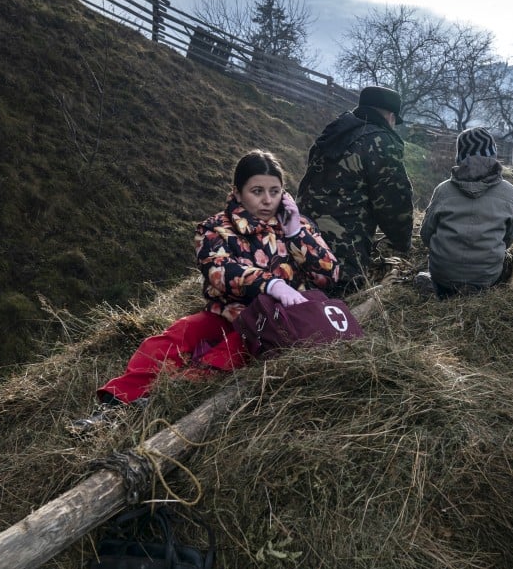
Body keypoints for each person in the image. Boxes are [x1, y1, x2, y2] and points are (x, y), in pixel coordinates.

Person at [71, 150, 339, 434]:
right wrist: (270, 283)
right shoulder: (215, 228)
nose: (267, 200)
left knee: (228, 353)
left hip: (274, 323)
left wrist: (297, 232)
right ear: (237, 192)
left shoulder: (297, 226)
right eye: (257, 191)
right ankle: (114, 405)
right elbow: (218, 270)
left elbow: (328, 275)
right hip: (228, 313)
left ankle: (156, 404)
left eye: (274, 191)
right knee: (172, 338)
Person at [297, 85, 414, 296]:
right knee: (341, 302)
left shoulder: (334, 131)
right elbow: (394, 202)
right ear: (390, 116)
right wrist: (404, 243)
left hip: (303, 238)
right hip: (342, 252)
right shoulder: (380, 140)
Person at [419, 127, 513, 299]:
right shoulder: (509, 192)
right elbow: (510, 236)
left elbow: (426, 234)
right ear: (493, 155)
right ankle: (478, 290)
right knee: (506, 264)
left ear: (460, 157)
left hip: (443, 274)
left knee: (438, 276)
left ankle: (439, 288)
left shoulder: (443, 190)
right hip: (486, 277)